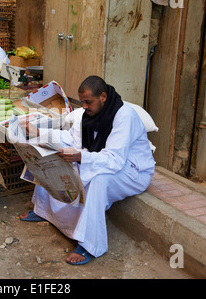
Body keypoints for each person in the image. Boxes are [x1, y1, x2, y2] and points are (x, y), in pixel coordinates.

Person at [19, 75, 156, 265]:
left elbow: (115, 160)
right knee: (48, 155)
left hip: (132, 170)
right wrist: (39, 133)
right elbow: (71, 139)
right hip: (105, 160)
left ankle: (90, 244)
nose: (83, 106)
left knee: (99, 180)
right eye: (82, 101)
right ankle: (43, 210)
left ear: (103, 97)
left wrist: (80, 157)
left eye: (88, 102)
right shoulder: (88, 114)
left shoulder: (125, 117)